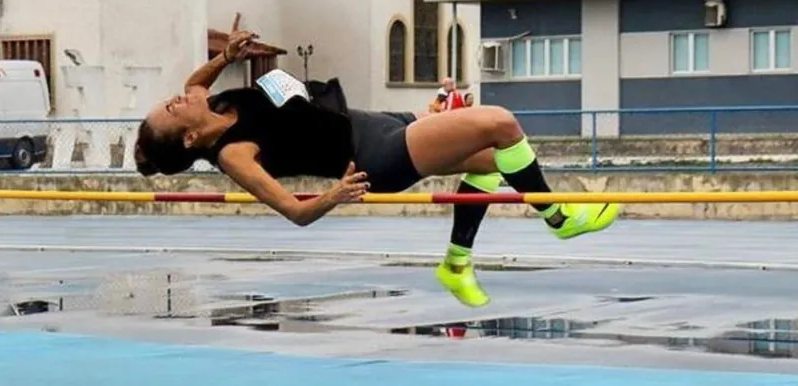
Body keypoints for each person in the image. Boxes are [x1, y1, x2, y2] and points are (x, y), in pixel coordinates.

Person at [134, 30, 621, 308]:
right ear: (191, 137)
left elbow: (194, 81)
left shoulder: (208, 100)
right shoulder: (233, 153)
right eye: (173, 110)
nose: (178, 99)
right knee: (500, 123)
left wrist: (225, 56)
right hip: (373, 158)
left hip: (373, 122)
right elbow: (292, 211)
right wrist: (336, 194)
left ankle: (456, 265)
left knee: (492, 165)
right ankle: (557, 217)